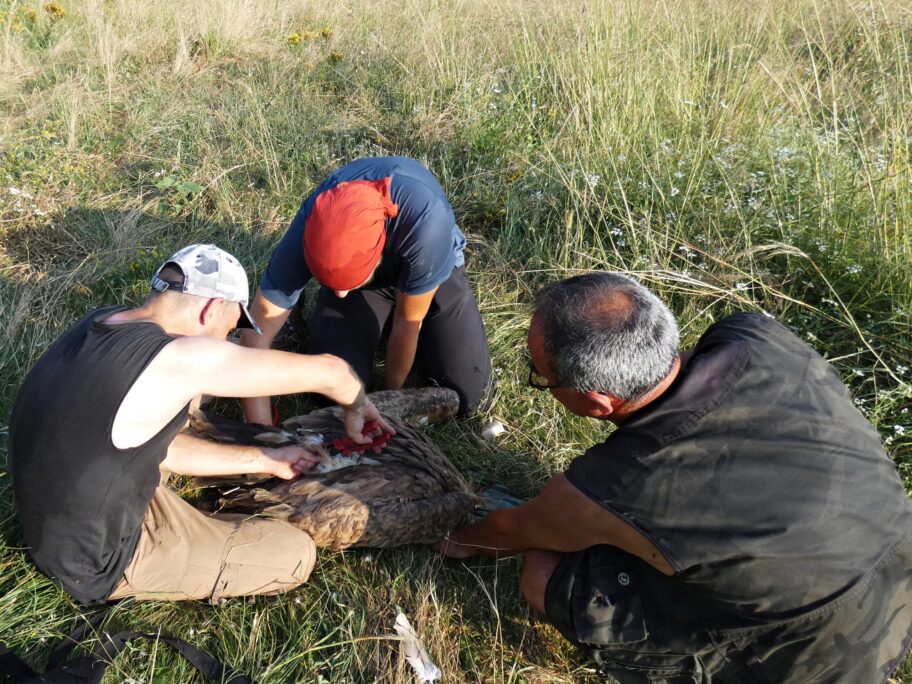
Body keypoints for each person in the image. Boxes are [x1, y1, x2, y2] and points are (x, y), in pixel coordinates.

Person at [435, 271, 912, 682]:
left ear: (598, 402)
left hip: (823, 659)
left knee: (544, 570)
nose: (540, 383)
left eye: (541, 377)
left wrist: (452, 535)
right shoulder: (752, 335)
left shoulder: (617, 485)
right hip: (899, 575)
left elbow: (509, 531)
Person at [9, 244, 392, 605]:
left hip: (61, 524)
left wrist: (265, 459)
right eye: (228, 330)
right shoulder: (176, 359)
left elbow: (159, 445)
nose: (226, 340)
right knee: (295, 554)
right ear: (211, 308)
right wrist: (356, 405)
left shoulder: (101, 321)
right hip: (96, 563)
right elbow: (333, 372)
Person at [239, 156, 492, 422]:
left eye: (346, 285)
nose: (340, 296)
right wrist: (261, 431)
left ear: (377, 255)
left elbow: (408, 323)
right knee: (331, 393)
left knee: (468, 396)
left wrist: (390, 401)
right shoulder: (312, 223)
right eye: (330, 285)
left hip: (430, 267)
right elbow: (253, 338)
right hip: (367, 274)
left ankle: (420, 314)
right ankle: (342, 301)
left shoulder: (426, 224)